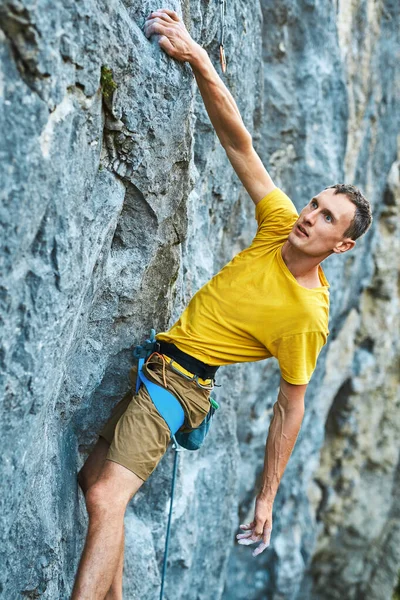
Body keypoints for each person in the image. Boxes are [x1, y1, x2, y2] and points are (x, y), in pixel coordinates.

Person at [72, 8, 373, 599]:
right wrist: (200, 59)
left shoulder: (306, 317)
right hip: (161, 365)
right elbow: (239, 141)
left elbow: (291, 408)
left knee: (108, 496)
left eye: (326, 218)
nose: (308, 217)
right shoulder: (279, 226)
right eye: (314, 204)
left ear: (341, 245)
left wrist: (267, 495)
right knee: (94, 485)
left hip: (180, 388)